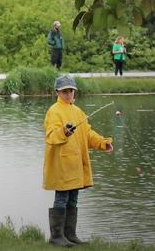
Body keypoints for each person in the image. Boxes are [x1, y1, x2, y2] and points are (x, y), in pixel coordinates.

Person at [43, 75, 113, 247]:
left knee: (73, 199)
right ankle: (56, 237)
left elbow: (88, 134)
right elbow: (51, 136)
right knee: (61, 198)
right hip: (62, 166)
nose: (68, 94)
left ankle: (70, 234)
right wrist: (64, 132)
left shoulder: (78, 111)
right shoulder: (54, 111)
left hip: (76, 165)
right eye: (64, 91)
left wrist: (102, 143)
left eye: (71, 91)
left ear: (74, 92)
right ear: (57, 92)